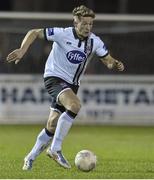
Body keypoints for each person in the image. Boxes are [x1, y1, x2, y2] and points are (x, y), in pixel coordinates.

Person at [6, 5, 124, 170]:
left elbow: (107, 59)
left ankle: (30, 157)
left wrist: (114, 63)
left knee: (52, 124)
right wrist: (22, 50)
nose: (88, 27)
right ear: (75, 22)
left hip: (72, 84)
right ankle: (55, 149)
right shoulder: (62, 34)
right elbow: (33, 32)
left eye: (91, 24)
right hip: (54, 77)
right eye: (84, 24)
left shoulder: (94, 41)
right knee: (75, 105)